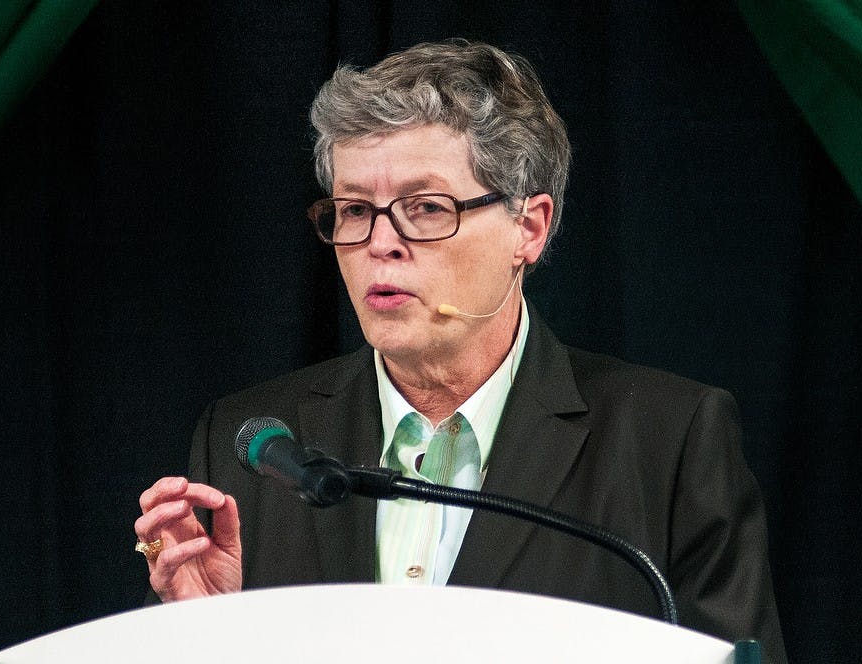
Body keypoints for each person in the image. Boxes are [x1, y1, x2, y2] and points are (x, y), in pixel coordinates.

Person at [134, 39, 787, 662]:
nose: (379, 244)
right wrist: (196, 636)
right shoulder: (252, 445)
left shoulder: (666, 442)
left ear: (528, 229)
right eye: (355, 209)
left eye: (425, 207)